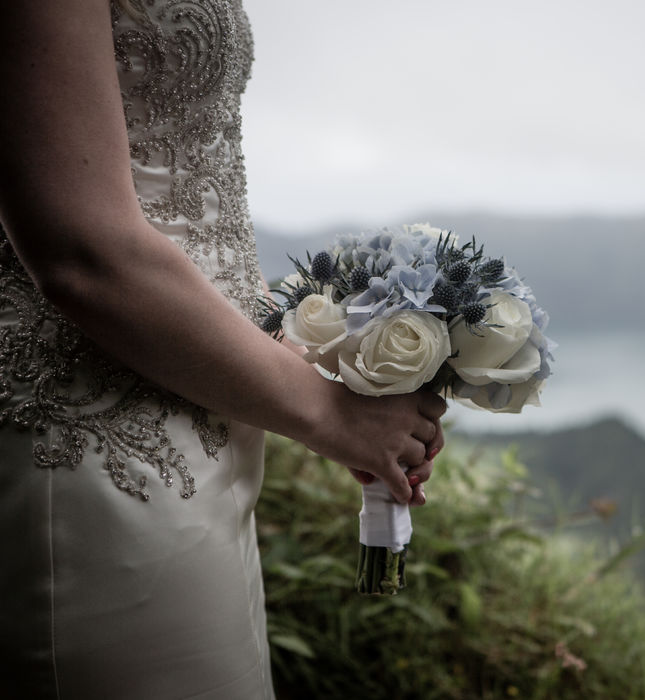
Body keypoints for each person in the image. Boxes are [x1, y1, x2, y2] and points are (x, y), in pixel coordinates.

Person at [0, 1, 445, 697]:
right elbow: (82, 251)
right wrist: (327, 415)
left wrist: (315, 372)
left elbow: (193, 209)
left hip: (209, 416)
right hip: (93, 447)